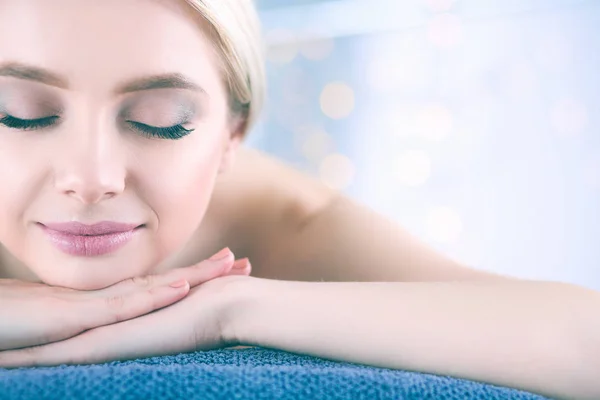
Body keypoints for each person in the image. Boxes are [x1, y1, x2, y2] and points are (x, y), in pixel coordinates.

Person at [0, 1, 597, 398]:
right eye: (19, 115)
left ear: (233, 136)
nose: (91, 175)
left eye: (162, 122)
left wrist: (231, 308)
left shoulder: (280, 217)